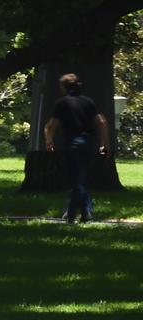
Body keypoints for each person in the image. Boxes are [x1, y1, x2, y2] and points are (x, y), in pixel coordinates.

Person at [44, 73, 110, 223]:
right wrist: (104, 143)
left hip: (71, 144)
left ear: (63, 87)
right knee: (81, 178)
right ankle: (85, 212)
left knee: (76, 180)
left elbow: (52, 126)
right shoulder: (88, 102)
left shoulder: (62, 103)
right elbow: (102, 122)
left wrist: (49, 141)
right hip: (89, 142)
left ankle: (72, 215)